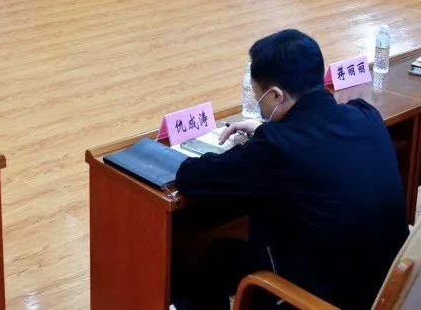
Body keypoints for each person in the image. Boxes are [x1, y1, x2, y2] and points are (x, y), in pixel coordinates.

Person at [175, 30, 408, 310]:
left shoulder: (278, 148)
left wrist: (266, 138)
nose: (261, 108)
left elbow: (191, 177)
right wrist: (267, 131)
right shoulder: (365, 116)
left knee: (216, 256)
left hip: (323, 300)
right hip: (388, 288)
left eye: (260, 99)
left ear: (276, 95)